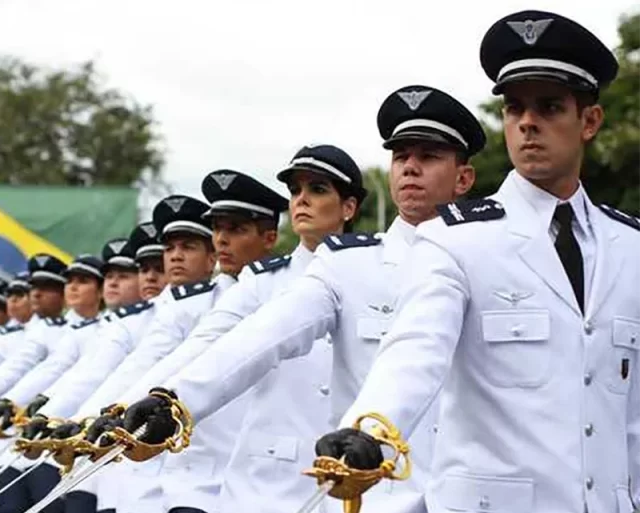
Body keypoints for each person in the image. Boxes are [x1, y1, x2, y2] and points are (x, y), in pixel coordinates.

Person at [321, 10, 640, 513]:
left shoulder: (630, 246)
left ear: (590, 121)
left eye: (550, 106)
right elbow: (414, 350)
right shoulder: (456, 240)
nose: (528, 122)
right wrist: (369, 430)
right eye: (515, 109)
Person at [125, 83, 485, 513]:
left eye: (427, 157)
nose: (410, 168)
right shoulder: (349, 266)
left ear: (463, 177)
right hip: (374, 497)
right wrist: (176, 399)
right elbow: (260, 338)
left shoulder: (495, 257)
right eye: (400, 157)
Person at [121, 144, 364, 513]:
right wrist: (124, 407)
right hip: (264, 483)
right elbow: (204, 345)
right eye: (296, 191)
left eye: (317, 189)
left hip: (351, 476)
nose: (301, 200)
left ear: (348, 207)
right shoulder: (262, 282)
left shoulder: (375, 275)